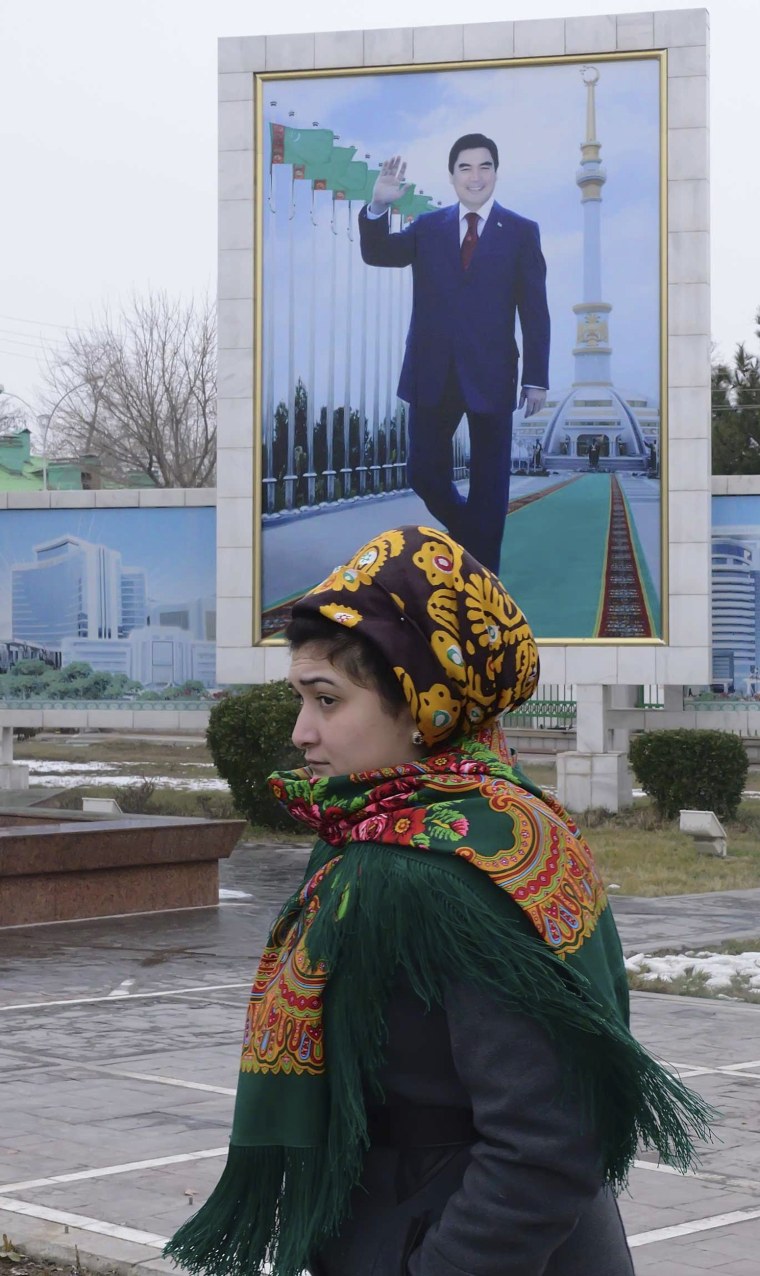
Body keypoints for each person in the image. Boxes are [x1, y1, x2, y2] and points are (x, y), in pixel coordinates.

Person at [165, 526, 711, 1276]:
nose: (302, 732)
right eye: (299, 698)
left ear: (424, 706)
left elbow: (547, 1143)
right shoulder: (433, 824)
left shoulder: (451, 873)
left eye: (328, 699)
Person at [358, 136, 551, 576]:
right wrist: (377, 208)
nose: (475, 177)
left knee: (491, 486)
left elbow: (534, 310)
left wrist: (536, 377)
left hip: (493, 374)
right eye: (465, 168)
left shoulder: (521, 232)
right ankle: (473, 539)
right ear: (452, 176)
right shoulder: (428, 228)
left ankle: (486, 584)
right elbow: (378, 254)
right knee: (423, 473)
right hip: (432, 373)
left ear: (495, 173)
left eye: (485, 167)